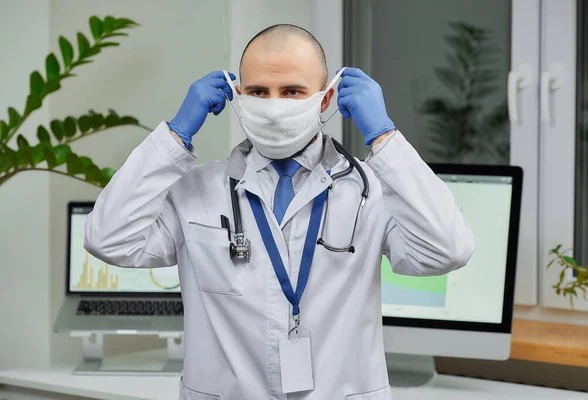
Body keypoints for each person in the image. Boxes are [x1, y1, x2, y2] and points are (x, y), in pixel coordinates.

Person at [84, 24, 475, 400]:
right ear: (237, 97)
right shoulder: (196, 190)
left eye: (291, 91)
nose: (273, 108)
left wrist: (385, 139)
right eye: (258, 91)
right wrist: (175, 136)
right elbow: (109, 238)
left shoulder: (369, 190)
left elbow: (447, 250)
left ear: (324, 99)